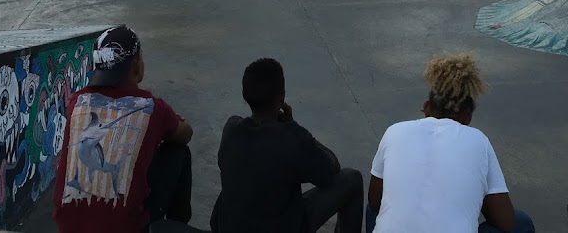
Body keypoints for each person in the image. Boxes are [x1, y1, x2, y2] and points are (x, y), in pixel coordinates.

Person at [367, 53, 533, 233]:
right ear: (468, 117)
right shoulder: (478, 141)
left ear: (427, 107)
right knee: (521, 223)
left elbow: (374, 200)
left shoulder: (395, 131)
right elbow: (505, 221)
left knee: (375, 211)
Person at [53, 25, 194, 233]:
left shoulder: (76, 102)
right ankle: (177, 225)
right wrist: (169, 121)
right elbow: (185, 134)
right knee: (179, 152)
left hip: (67, 227)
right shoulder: (152, 107)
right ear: (136, 67)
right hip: (127, 228)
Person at [210, 58, 363, 233]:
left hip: (229, 226)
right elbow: (331, 169)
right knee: (352, 179)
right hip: (281, 226)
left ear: (245, 95)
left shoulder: (231, 128)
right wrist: (292, 125)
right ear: (282, 97)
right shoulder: (290, 139)